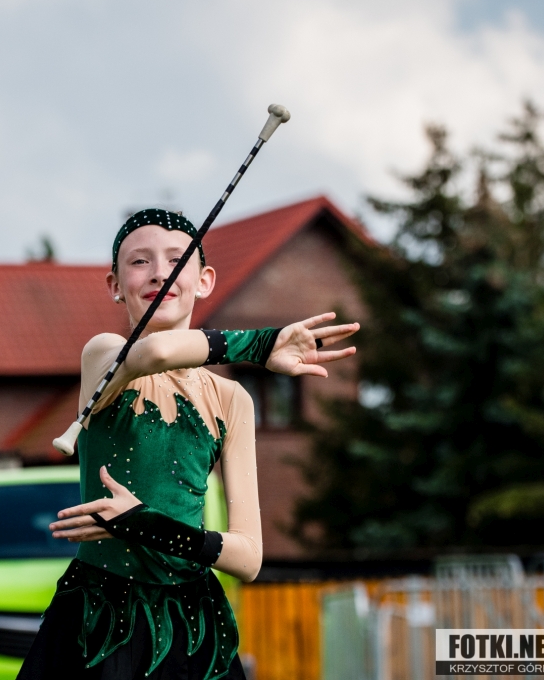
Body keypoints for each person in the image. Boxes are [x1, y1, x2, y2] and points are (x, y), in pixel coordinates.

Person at [18, 209, 360, 680]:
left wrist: (145, 525)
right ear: (115, 285)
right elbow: (156, 352)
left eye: (177, 260)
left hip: (194, 625)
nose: (160, 273)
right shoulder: (103, 356)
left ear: (204, 280)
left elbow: (248, 558)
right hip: (100, 617)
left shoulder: (233, 400)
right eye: (140, 261)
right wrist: (259, 345)